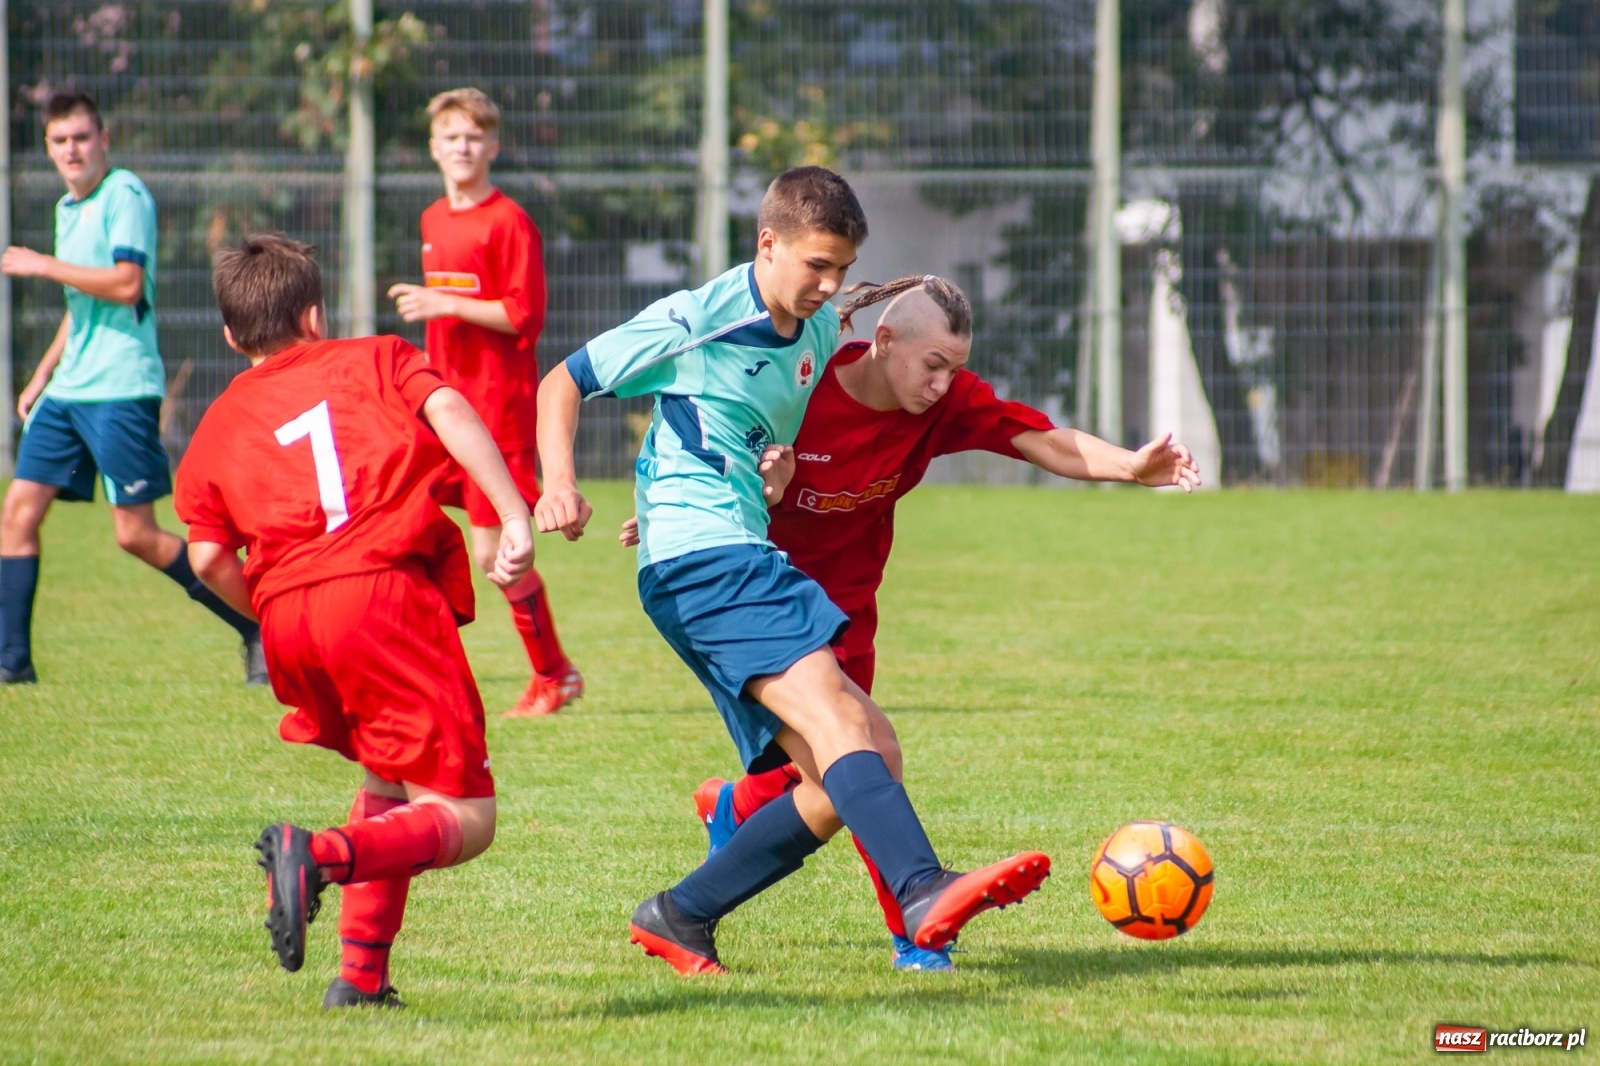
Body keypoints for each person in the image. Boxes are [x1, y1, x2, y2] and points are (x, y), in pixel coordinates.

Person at [535, 166, 1051, 976]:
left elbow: (750, 438)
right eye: (816, 264)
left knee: (860, 759)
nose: (830, 284)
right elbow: (564, 380)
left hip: (733, 550)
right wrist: (560, 485)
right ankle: (921, 894)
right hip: (709, 561)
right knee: (844, 727)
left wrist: (765, 477)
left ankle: (681, 913)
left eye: (842, 268)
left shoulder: (814, 332)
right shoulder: (694, 319)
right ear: (767, 242)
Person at [647, 274, 1200, 971]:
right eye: (932, 365)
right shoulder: (803, 387)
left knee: (833, 782)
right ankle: (916, 931)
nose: (943, 384)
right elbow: (715, 447)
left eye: (955, 370)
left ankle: (724, 834)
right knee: (870, 753)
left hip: (847, 616)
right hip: (767, 599)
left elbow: (1042, 440)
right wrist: (682, 512)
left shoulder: (943, 407)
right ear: (883, 341)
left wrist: (1130, 466)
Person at [175, 234, 532, 1009]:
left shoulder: (215, 426)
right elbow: (451, 408)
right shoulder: (377, 356)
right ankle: (323, 857)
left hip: (288, 622)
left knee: (387, 778)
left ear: (233, 337)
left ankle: (360, 981)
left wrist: (265, 611)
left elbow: (205, 560)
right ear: (316, 314)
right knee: (467, 817)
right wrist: (511, 512)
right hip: (381, 597)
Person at [0, 90, 262, 685]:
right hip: (70, 390)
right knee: (16, 512)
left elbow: (123, 283)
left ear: (104, 139)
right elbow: (81, 302)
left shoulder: (125, 195)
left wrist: (43, 265)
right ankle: (11, 663)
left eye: (81, 137)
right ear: (48, 148)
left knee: (135, 534)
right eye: (59, 140)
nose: (72, 149)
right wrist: (42, 375)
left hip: (120, 385)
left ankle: (254, 625)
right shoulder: (69, 209)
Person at [386, 87, 581, 717]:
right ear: (434, 149)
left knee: (492, 553)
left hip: (497, 410)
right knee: (407, 520)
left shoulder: (509, 222)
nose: (462, 148)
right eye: (451, 138)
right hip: (443, 406)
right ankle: (416, 665)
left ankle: (552, 673)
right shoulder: (433, 219)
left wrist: (443, 303)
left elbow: (525, 316)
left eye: (474, 137)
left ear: (492, 146)